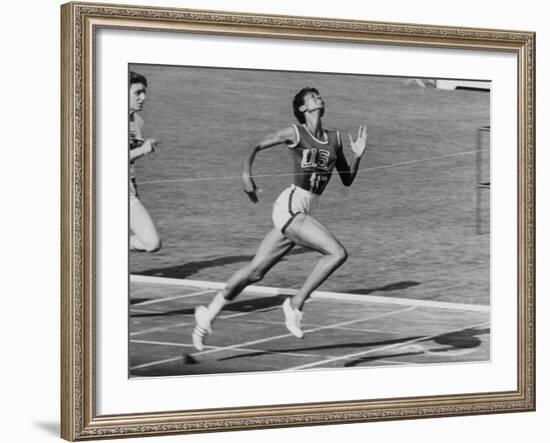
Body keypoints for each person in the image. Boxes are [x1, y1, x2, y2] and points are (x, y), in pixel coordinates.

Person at [192, 87, 367, 351]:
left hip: (305, 212)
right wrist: (245, 175)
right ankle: (295, 304)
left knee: (256, 271)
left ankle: (208, 314)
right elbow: (256, 146)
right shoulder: (295, 133)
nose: (318, 98)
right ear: (302, 109)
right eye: (312, 97)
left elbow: (347, 180)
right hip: (290, 206)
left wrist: (358, 156)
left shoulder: (335, 138)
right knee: (336, 252)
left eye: (319, 95)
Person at [129, 71, 162, 252]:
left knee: (153, 243)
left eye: (144, 93)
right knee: (152, 243)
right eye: (138, 93)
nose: (143, 97)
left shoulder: (138, 122)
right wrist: (142, 150)